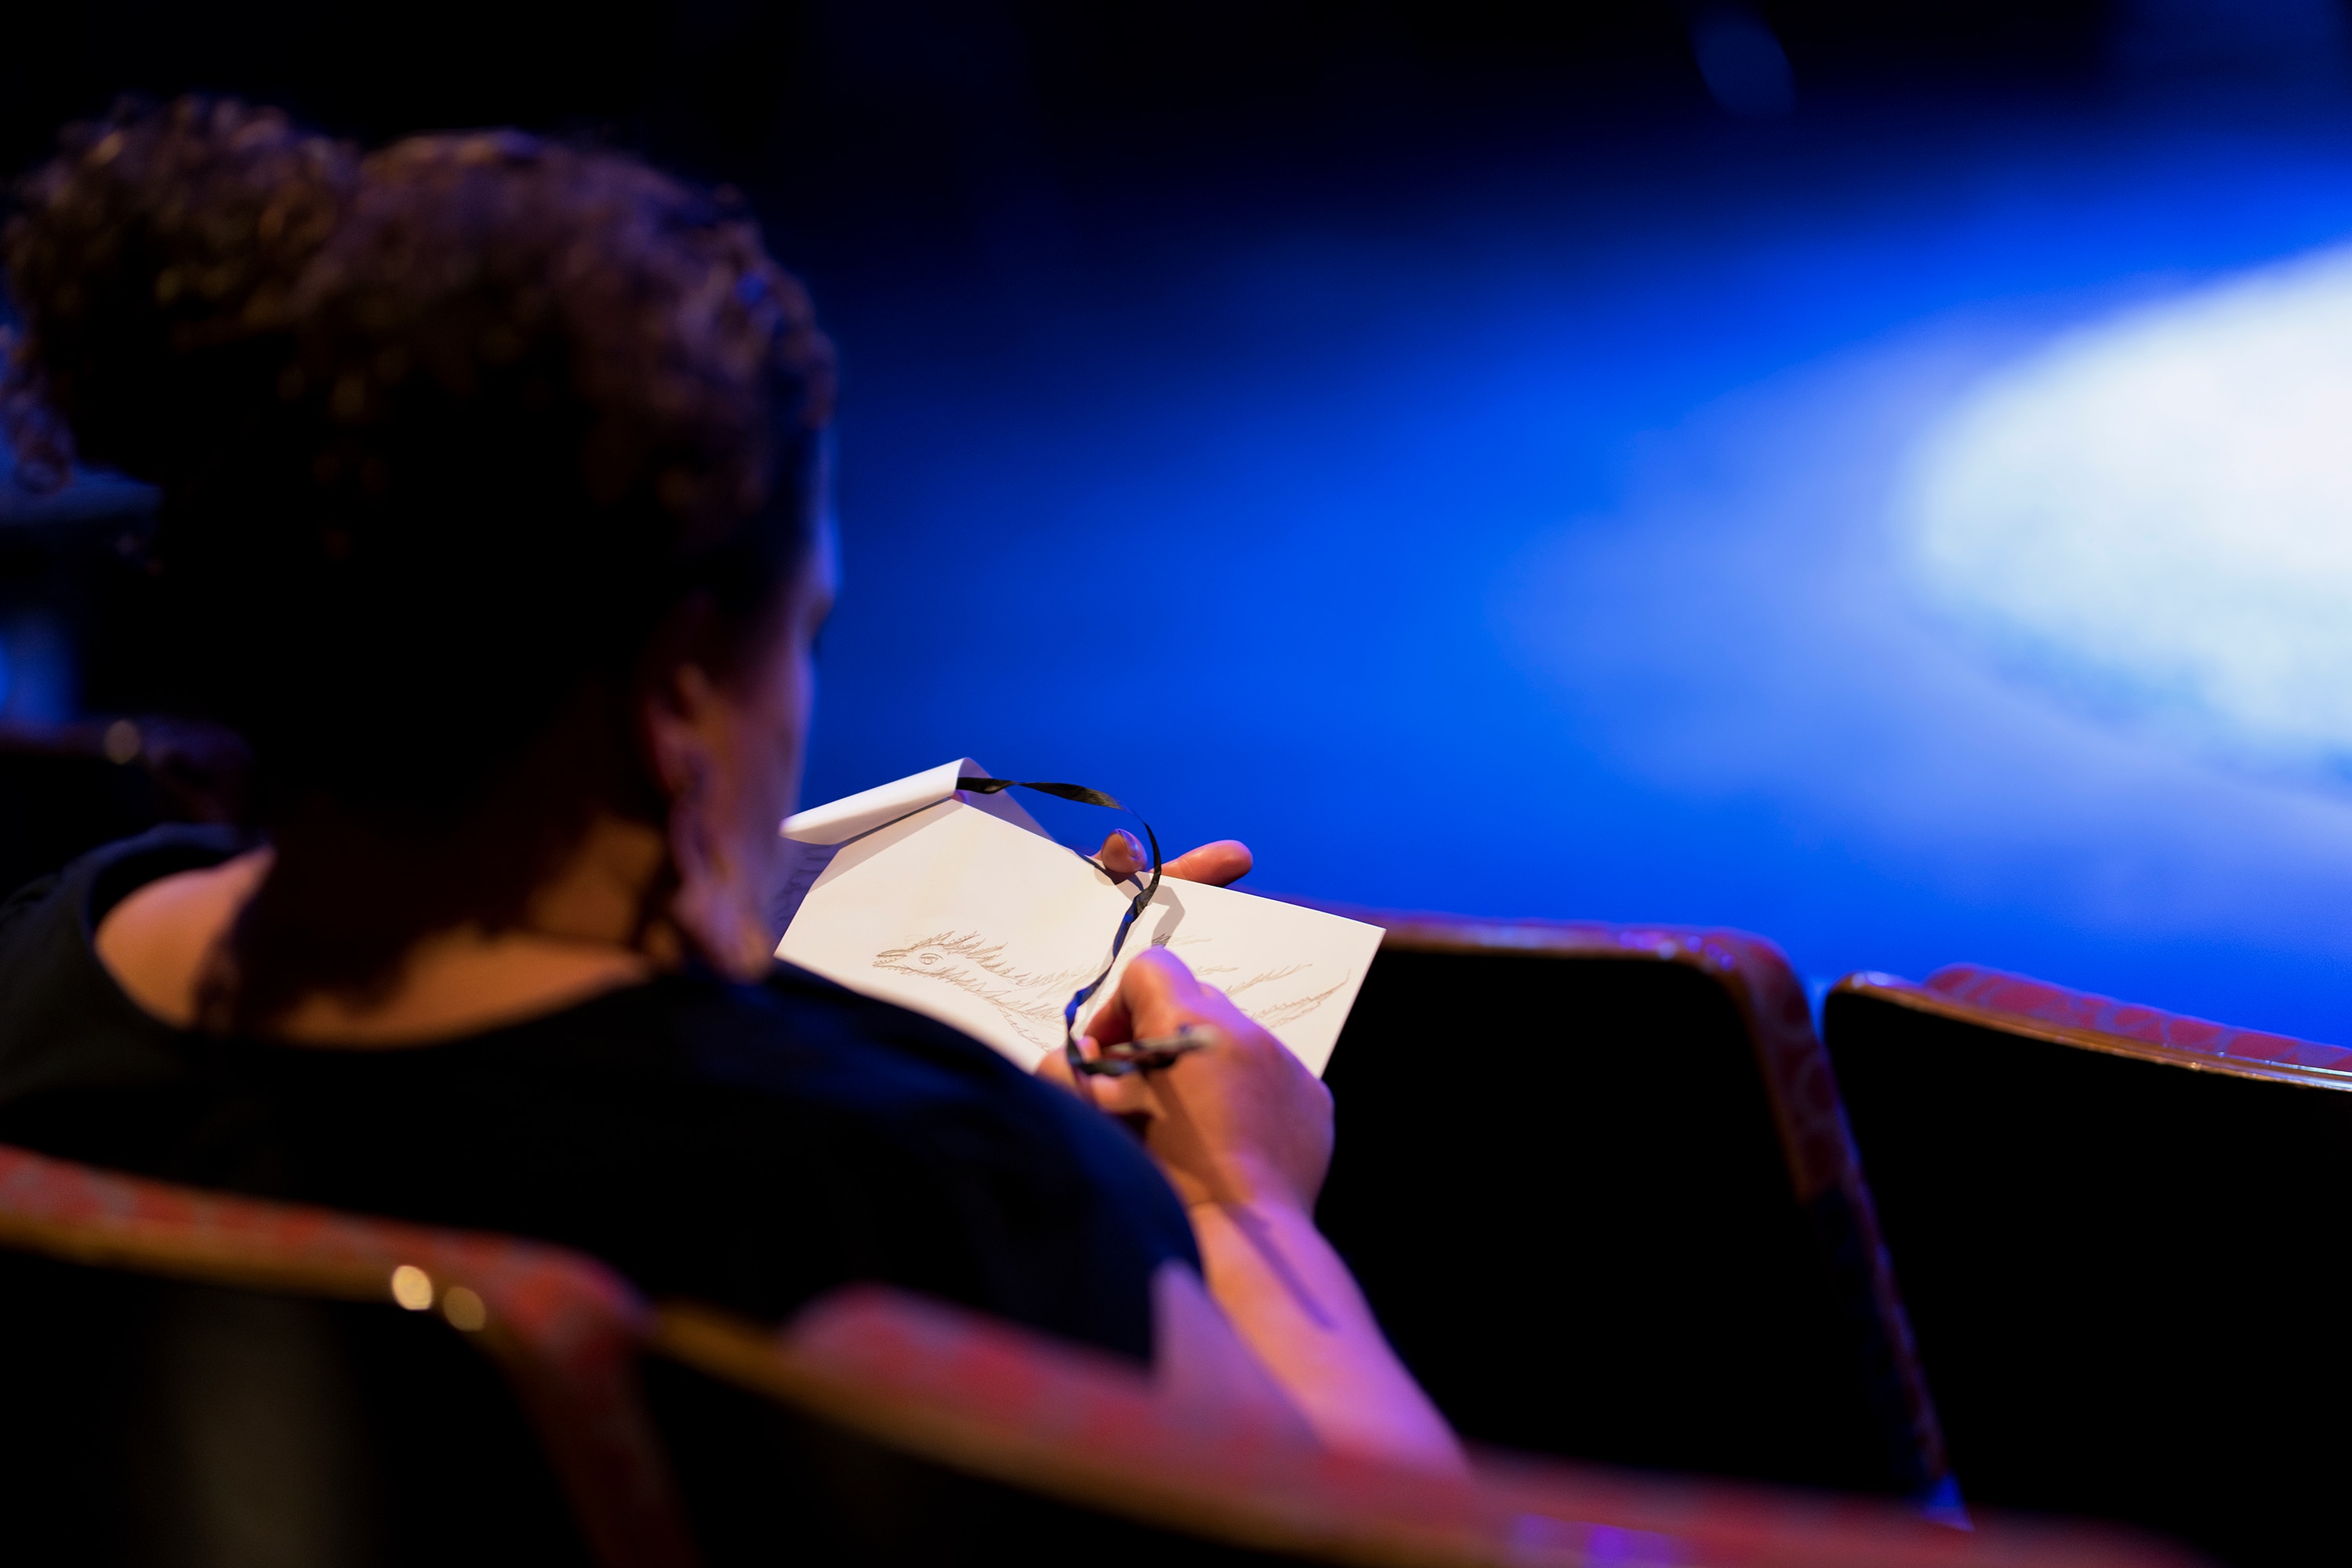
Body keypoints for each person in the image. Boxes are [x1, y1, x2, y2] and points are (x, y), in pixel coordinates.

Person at [0, 97, 1457, 1472]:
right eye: (803, 632)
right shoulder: (897, 1194)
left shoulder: (42, 965)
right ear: (683, 691)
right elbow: (1405, 1538)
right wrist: (1235, 1206)